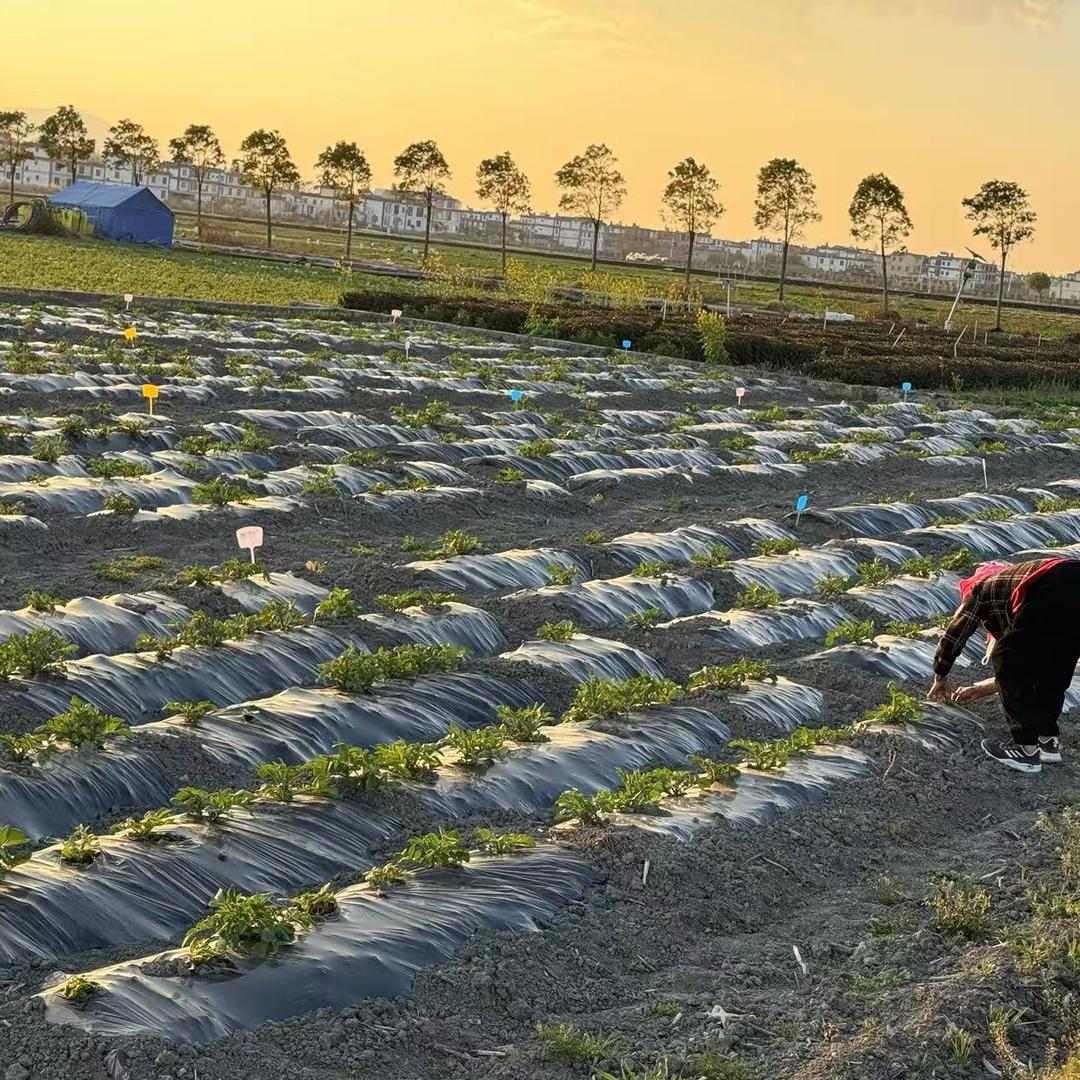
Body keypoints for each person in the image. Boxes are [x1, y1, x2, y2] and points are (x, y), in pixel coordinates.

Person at [928, 557, 1080, 773]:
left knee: (1007, 657)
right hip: (1071, 573)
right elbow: (1033, 666)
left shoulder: (980, 591)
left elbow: (955, 633)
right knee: (1058, 661)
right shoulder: (1015, 594)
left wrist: (940, 675)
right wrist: (983, 688)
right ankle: (1048, 741)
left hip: (1055, 580)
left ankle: (1025, 748)